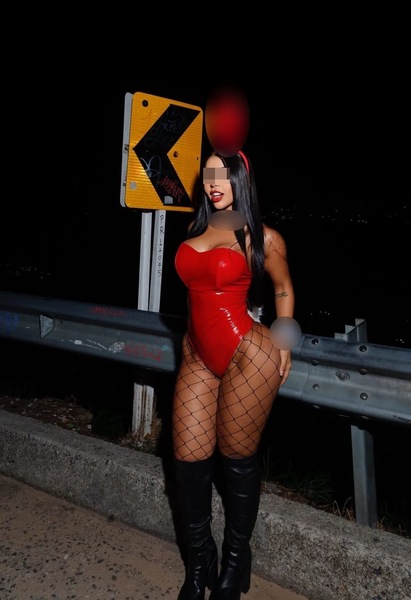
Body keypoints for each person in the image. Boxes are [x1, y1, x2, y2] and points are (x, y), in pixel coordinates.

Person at [172, 149, 295, 600]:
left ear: (241, 178)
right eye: (208, 175)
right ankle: (199, 561)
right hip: (197, 355)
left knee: (236, 461)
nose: (213, 182)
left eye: (223, 175)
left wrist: (285, 341)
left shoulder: (262, 238)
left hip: (249, 354)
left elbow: (283, 288)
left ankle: (236, 561)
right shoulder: (196, 227)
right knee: (188, 461)